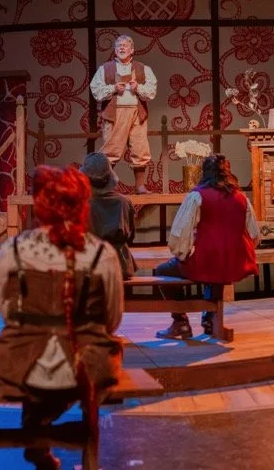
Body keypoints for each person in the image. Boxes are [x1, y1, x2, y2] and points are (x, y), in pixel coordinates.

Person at [0, 165, 125, 470]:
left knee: (32, 355)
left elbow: (7, 312)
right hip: (85, 364)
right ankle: (60, 435)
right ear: (83, 205)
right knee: (99, 355)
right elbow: (113, 317)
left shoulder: (13, 249)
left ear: (41, 205)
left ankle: (36, 429)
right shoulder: (101, 254)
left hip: (23, 366)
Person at [154, 154, 260, 339]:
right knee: (217, 269)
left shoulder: (198, 196)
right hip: (231, 262)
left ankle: (180, 320)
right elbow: (255, 235)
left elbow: (180, 234)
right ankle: (210, 317)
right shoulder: (241, 198)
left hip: (205, 261)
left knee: (162, 270)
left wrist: (184, 254)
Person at [89, 34, 158, 193]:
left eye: (125, 45)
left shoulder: (143, 68)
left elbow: (151, 91)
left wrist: (138, 88)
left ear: (132, 49)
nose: (121, 48)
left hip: (137, 113)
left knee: (140, 148)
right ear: (114, 50)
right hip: (115, 114)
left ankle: (140, 186)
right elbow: (96, 91)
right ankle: (107, 186)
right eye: (118, 45)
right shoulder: (105, 69)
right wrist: (113, 88)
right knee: (111, 150)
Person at [80, 152, 138, 279]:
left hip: (91, 264)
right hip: (120, 264)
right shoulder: (124, 202)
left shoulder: (82, 203)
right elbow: (131, 235)